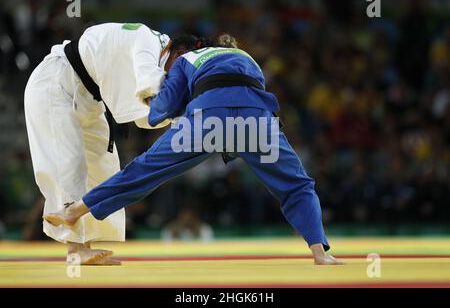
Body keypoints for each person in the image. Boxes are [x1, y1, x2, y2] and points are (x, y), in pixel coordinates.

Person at [44, 34, 343, 265]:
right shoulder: (248, 58)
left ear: (183, 50)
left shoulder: (188, 60)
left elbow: (162, 110)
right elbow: (249, 90)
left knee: (144, 170)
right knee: (297, 185)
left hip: (207, 120)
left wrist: (148, 103)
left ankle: (75, 211)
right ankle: (320, 252)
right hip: (256, 122)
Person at [24, 22, 198, 265]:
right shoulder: (148, 40)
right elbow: (151, 91)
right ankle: (75, 249)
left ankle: (89, 243)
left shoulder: (158, 52)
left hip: (89, 96)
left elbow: (145, 117)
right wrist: (184, 114)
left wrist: (180, 115)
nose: (175, 80)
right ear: (179, 53)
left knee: (104, 165)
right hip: (55, 82)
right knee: (70, 162)